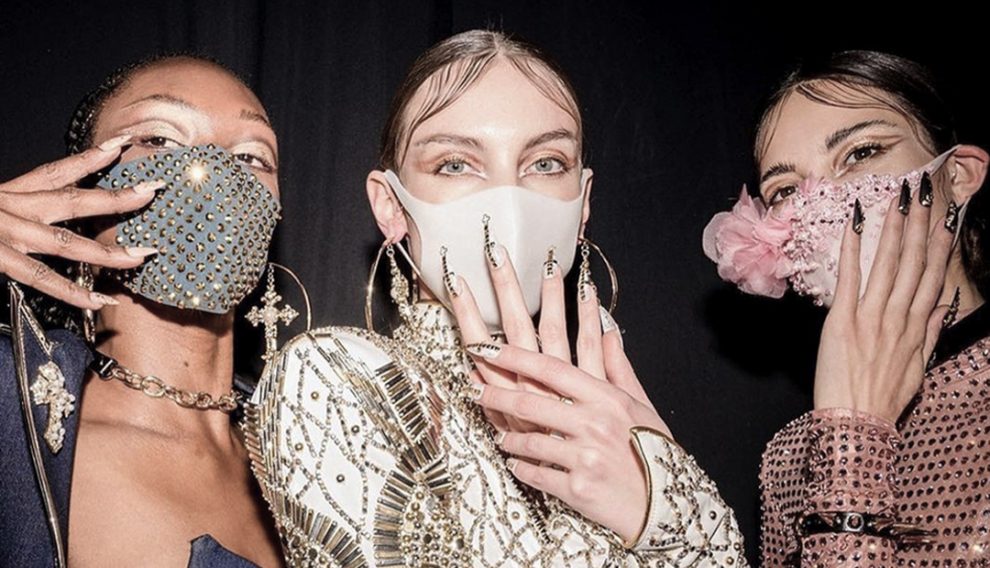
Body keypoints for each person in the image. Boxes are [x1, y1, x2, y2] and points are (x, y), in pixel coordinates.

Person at [246, 29, 747, 567]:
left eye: (546, 163)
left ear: (583, 203)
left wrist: (655, 496)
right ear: (390, 205)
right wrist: (652, 514)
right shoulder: (332, 379)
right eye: (455, 164)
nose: (507, 202)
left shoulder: (611, 411)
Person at [703, 51, 989, 565]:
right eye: (785, 190)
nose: (825, 201)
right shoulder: (792, 458)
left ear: (959, 174)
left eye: (861, 153)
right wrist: (851, 436)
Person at [0, 54, 284, 567]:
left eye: (252, 157)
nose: (213, 171)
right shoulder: (14, 413)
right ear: (78, 196)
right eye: (159, 139)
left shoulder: (311, 454)